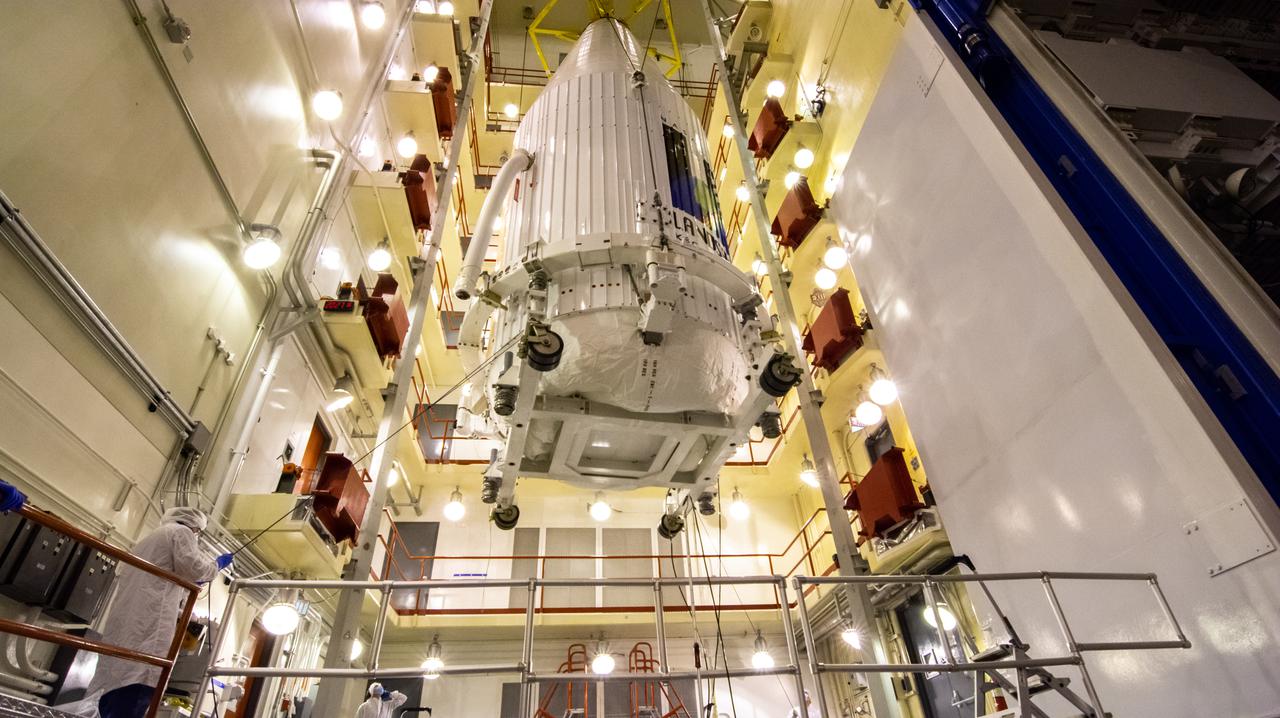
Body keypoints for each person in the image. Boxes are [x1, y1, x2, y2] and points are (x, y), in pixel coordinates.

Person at [88, 507, 232, 717]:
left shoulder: (149, 540)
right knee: (141, 681)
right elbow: (196, 568)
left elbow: (169, 573)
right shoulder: (181, 533)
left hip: (127, 624)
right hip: (150, 624)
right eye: (198, 533)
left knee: (118, 683)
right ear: (195, 528)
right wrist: (217, 564)